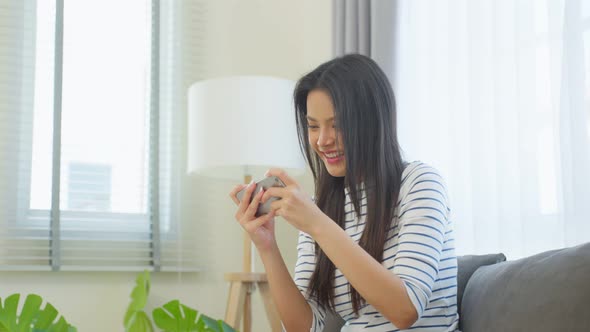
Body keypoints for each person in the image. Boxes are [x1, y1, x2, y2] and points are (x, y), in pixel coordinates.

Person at [229, 54, 459, 332]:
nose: (322, 140)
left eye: (336, 124)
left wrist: (316, 223)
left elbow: (405, 310)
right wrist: (267, 246)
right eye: (313, 126)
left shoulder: (420, 183)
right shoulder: (321, 209)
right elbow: (303, 328)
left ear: (372, 122)